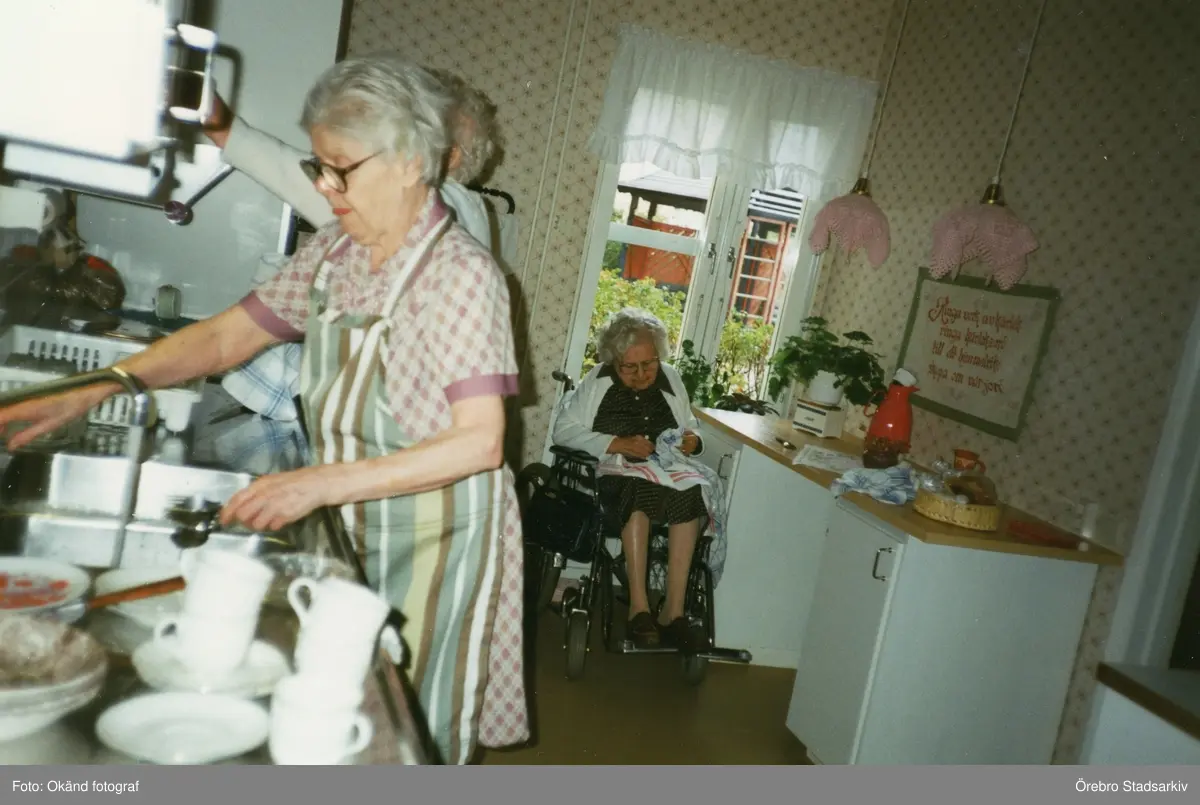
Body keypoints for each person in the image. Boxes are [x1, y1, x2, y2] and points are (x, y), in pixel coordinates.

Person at [0, 54, 528, 764]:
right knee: (340, 711)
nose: (325, 188)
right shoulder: (338, 252)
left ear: (410, 162)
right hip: (353, 517)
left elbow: (478, 442)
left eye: (341, 170)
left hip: (436, 541)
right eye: (319, 167)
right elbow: (225, 338)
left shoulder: (461, 275)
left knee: (408, 729)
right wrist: (103, 384)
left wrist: (315, 483)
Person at [552, 308, 720, 652]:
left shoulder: (670, 378)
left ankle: (673, 613)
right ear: (614, 360)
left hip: (666, 473)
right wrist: (615, 443)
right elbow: (563, 430)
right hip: (618, 476)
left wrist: (693, 441)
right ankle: (639, 610)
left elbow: (690, 426)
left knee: (690, 493)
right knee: (637, 489)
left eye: (649, 364)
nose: (643, 374)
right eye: (631, 367)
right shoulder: (598, 381)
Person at [204, 67, 498, 251]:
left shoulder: (437, 206)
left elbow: (293, 177)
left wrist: (225, 129)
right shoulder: (471, 211)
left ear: (451, 156)